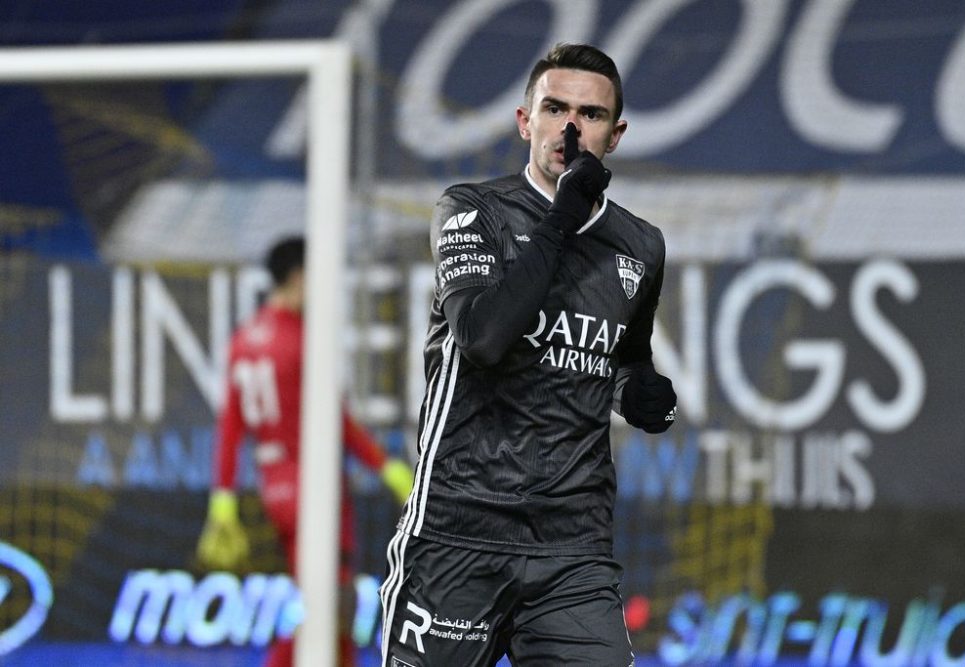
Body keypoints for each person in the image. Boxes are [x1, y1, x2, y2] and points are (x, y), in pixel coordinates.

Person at [379, 43, 677, 666]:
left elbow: (624, 359)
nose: (570, 128)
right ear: (525, 121)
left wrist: (642, 394)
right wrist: (564, 214)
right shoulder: (471, 212)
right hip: (459, 531)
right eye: (555, 108)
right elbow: (484, 338)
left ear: (615, 135)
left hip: (574, 546)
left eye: (591, 115)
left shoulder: (640, 245)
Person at [197, 236, 414, 667]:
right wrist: (387, 468)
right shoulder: (300, 338)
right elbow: (337, 422)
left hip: (276, 489)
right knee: (329, 607)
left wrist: (222, 499)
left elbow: (230, 428)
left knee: (332, 604)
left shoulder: (243, 339)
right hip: (313, 489)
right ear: (298, 278)